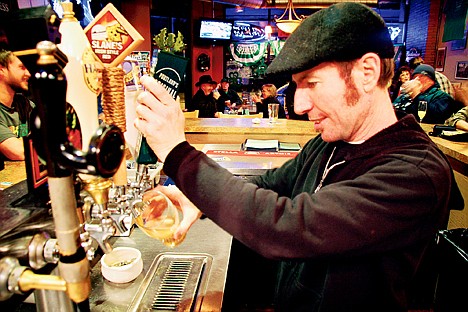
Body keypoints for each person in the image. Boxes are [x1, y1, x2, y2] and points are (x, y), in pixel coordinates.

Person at [134, 3, 463, 311]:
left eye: (312, 83)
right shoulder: (331, 141)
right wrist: (196, 197)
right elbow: (270, 184)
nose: (300, 106)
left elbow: (287, 224)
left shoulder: (415, 173)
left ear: (367, 72)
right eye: (296, 86)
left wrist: (179, 154)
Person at [393, 64, 461, 124]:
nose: (417, 79)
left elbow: (437, 116)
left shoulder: (442, 96)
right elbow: (394, 107)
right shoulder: (407, 95)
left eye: (421, 76)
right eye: (415, 77)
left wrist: (417, 95)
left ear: (431, 80)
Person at [0, 49, 34, 161]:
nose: (28, 73)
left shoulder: (23, 103)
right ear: (1, 70)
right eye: (22, 67)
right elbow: (20, 152)